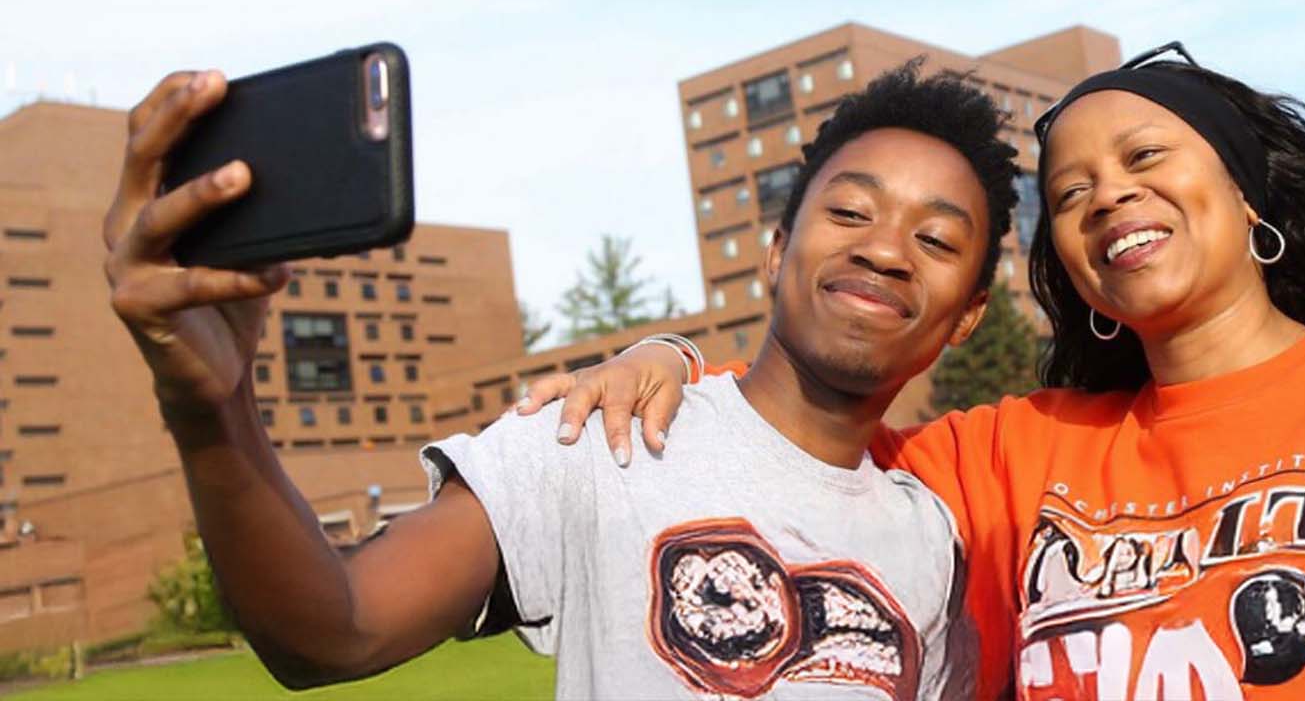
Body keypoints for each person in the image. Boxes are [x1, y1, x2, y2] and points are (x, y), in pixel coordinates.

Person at [523, 45, 1305, 699]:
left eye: (1143, 160)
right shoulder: (1016, 451)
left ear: (1245, 196)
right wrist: (660, 357)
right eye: (1073, 192)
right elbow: (795, 418)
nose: (1108, 198)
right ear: (1076, 273)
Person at [102, 61, 1019, 699]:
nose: (886, 249)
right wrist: (209, 407)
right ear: (776, 253)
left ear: (968, 313)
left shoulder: (930, 541)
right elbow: (333, 629)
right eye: (851, 210)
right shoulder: (605, 432)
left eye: (936, 239)